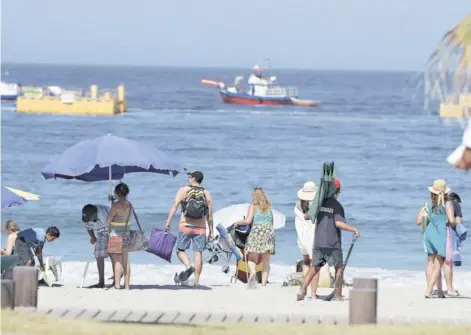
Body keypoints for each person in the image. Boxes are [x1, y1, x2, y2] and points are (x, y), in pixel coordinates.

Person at [296, 178, 360, 301]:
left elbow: (307, 217)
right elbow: (338, 223)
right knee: (338, 267)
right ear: (338, 191)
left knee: (314, 267)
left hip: (318, 241)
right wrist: (354, 229)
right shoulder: (337, 205)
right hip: (332, 242)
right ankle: (338, 295)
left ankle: (302, 290)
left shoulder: (319, 203)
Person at [165, 171, 214, 286]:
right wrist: (211, 230)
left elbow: (175, 205)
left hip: (185, 225)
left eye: (190, 176)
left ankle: (188, 266)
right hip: (200, 228)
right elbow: (209, 216)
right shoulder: (206, 194)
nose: (189, 178)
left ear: (193, 179)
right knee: (198, 253)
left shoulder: (183, 190)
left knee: (179, 250)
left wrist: (168, 221)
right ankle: (196, 281)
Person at [416, 179, 455, 299]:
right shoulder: (447, 204)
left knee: (430, 262)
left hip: (429, 234)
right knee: (439, 264)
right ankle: (429, 291)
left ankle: (439, 292)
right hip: (440, 234)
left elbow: (418, 221)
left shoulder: (427, 204)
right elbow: (452, 221)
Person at [234, 187, 275, 289]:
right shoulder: (269, 207)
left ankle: (253, 273)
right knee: (266, 260)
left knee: (252, 258)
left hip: (256, 231)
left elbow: (248, 221)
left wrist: (237, 222)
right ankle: (264, 284)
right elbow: (272, 222)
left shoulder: (253, 206)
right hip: (269, 232)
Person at [294, 181, 320, 298]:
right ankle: (313, 293)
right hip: (312, 237)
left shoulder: (298, 206)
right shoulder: (316, 206)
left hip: (301, 238)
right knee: (316, 265)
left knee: (306, 262)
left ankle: (305, 288)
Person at [107, 183, 133, 290]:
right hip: (126, 234)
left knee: (117, 260)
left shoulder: (116, 205)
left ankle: (117, 284)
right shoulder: (130, 204)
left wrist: (112, 204)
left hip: (115, 235)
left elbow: (109, 219)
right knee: (126, 261)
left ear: (117, 193)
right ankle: (127, 285)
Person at [82, 204, 112, 288]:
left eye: (89, 219)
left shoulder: (103, 214)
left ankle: (117, 278)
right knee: (98, 255)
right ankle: (101, 282)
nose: (87, 221)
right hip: (101, 232)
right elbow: (88, 228)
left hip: (112, 230)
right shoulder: (86, 217)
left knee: (113, 255)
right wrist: (92, 237)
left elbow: (112, 226)